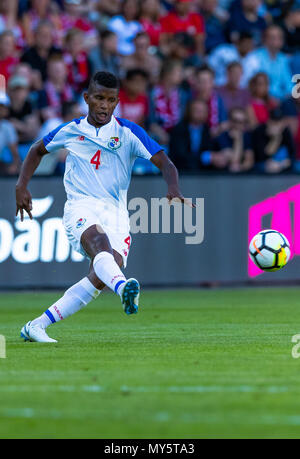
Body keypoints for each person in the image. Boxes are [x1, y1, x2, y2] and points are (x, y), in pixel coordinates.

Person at [16, 71, 192, 343]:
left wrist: (173, 186)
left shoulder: (128, 132)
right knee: (99, 244)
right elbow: (37, 150)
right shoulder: (71, 130)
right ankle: (123, 288)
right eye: (98, 98)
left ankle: (36, 326)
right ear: (87, 98)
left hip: (116, 213)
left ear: (117, 101)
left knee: (100, 276)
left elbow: (164, 162)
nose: (104, 105)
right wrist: (22, 185)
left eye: (110, 100)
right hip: (81, 206)